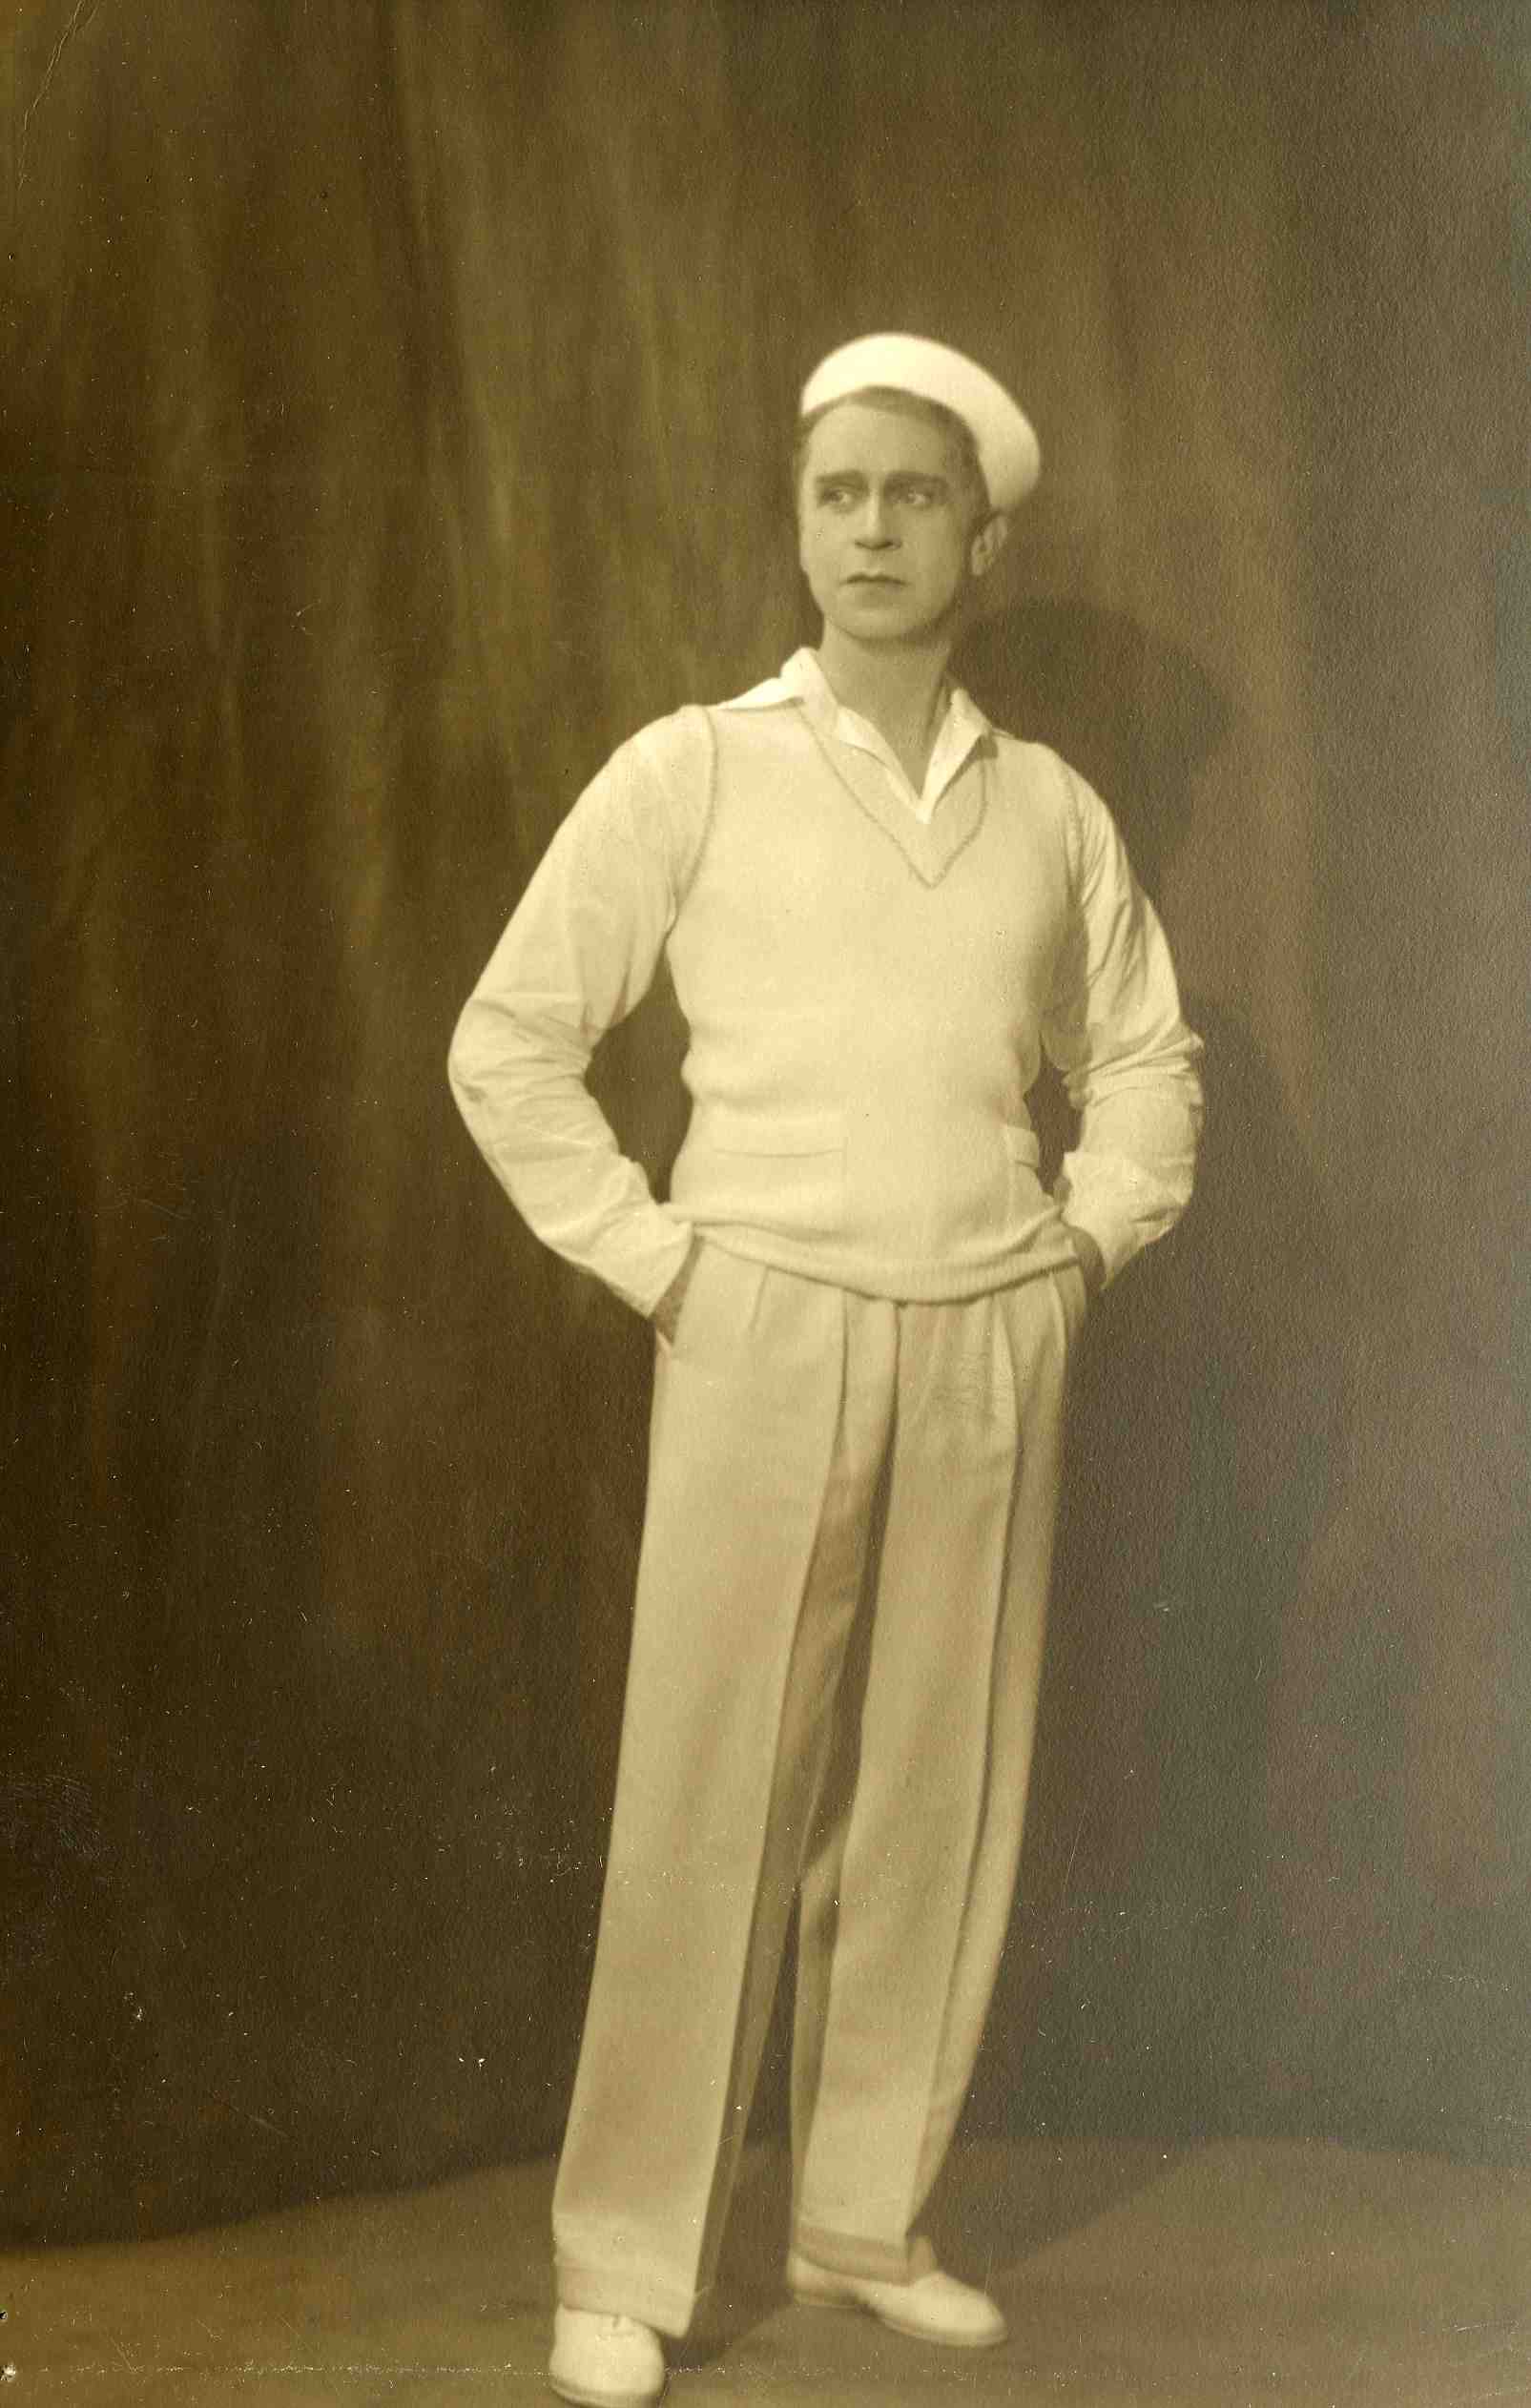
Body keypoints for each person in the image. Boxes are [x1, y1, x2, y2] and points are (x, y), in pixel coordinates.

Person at [448, 332, 1204, 2408]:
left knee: (937, 1794)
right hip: (757, 1321)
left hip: (989, 1330)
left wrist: (1082, 1246)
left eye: (913, 496)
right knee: (712, 1797)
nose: (871, 532)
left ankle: (860, 2217)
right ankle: (625, 2256)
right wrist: (662, 1264)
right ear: (797, 527)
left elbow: (1141, 1059)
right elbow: (508, 1044)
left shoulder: (1046, 809)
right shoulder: (691, 769)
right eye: (835, 494)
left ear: (981, 539)